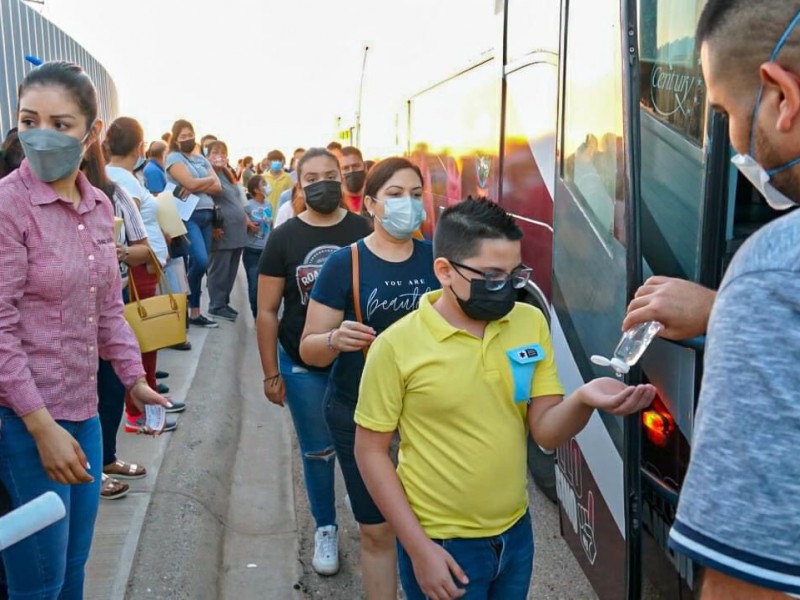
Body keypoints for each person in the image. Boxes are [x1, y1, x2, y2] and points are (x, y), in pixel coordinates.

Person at [354, 198, 655, 600]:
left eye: (515, 275)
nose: (508, 289)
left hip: (516, 535)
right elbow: (370, 452)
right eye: (493, 276)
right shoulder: (396, 347)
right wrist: (418, 548)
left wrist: (585, 399)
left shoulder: (528, 323)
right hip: (442, 543)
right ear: (445, 271)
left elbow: (546, 433)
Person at [0, 60, 170, 599]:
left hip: (85, 415)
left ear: (92, 133)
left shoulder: (98, 207)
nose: (40, 135)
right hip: (24, 422)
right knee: (39, 583)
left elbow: (107, 311)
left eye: (61, 123)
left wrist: (131, 376)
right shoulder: (8, 204)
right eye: (29, 121)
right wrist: (39, 425)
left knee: (74, 565)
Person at [660, 3, 800, 599]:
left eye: (722, 114)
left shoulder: (772, 273)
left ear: (781, 97)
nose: (735, 141)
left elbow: (744, 587)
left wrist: (735, 305)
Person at [300, 157, 436, 599]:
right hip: (359, 415)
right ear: (372, 204)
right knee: (377, 534)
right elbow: (309, 348)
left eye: (416, 194)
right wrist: (336, 338)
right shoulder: (344, 264)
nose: (408, 204)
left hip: (429, 418)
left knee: (429, 530)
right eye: (395, 195)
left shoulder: (440, 260)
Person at [256, 148, 372, 576]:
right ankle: (326, 526)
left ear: (342, 178)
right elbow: (267, 310)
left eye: (331, 174)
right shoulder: (284, 238)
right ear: (299, 184)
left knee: (365, 447)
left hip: (359, 363)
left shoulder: (364, 229)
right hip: (302, 366)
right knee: (318, 451)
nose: (322, 183)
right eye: (312, 177)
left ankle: (365, 510)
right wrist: (271, 372)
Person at [105, 116, 186, 434]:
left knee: (143, 342)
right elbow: (128, 230)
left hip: (144, 266)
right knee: (141, 341)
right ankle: (141, 414)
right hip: (139, 269)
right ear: (139, 147)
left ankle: (149, 404)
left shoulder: (121, 176)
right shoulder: (123, 182)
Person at [165, 119, 222, 328]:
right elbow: (189, 183)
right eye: (182, 136)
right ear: (176, 139)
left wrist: (199, 184)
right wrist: (206, 181)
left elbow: (218, 188)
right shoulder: (173, 157)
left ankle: (195, 312)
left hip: (207, 215)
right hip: (188, 217)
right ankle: (183, 302)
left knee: (202, 263)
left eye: (190, 134)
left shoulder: (200, 159)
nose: (187, 138)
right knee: (200, 261)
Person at [207, 140, 247, 322]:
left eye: (223, 152)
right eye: (215, 152)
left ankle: (223, 301)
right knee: (220, 269)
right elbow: (207, 202)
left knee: (230, 270)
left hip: (237, 232)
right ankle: (216, 304)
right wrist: (214, 225)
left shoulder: (228, 175)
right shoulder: (209, 175)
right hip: (223, 231)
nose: (220, 155)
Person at [243, 174, 272, 318]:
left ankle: (265, 312)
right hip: (251, 251)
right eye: (264, 184)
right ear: (255, 189)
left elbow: (270, 224)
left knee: (267, 285)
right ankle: (256, 314)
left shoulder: (268, 205)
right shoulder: (248, 206)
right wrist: (248, 223)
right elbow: (240, 219)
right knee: (254, 284)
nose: (267, 186)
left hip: (266, 250)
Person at [263, 149, 293, 219]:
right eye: (273, 160)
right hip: (267, 213)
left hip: (282, 212)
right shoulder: (263, 177)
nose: (276, 162)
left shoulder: (288, 177)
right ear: (268, 162)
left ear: (282, 162)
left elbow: (290, 195)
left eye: (278, 160)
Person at [340, 146, 368, 214]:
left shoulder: (375, 197)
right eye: (345, 168)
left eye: (356, 166)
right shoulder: (336, 202)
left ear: (365, 166)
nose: (351, 171)